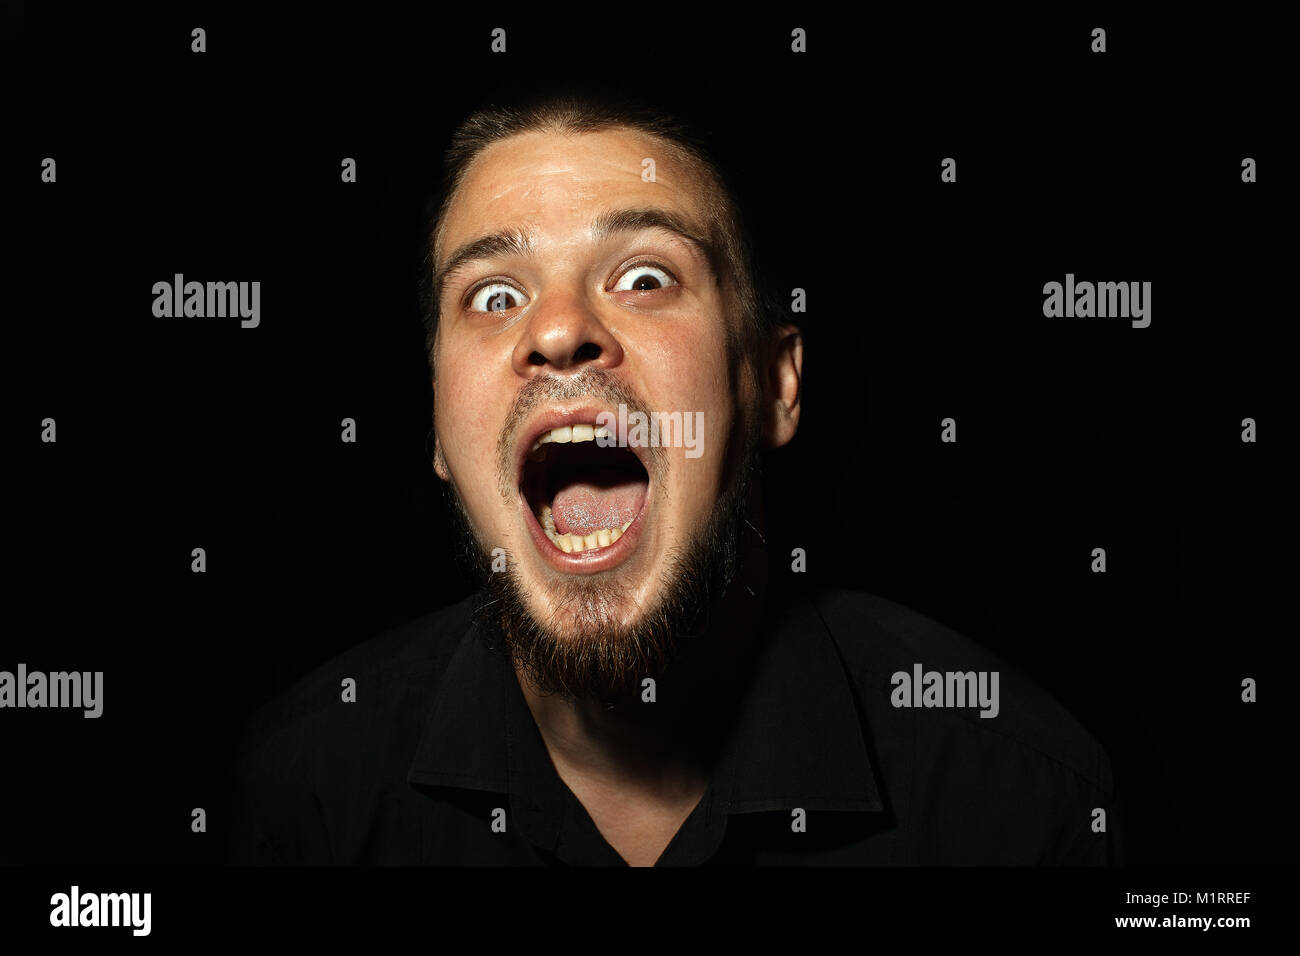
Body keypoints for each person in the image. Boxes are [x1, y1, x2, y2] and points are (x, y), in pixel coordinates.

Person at [233, 91, 1122, 866]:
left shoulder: (1016, 797)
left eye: (645, 275)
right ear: (437, 424)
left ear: (775, 386)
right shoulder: (305, 796)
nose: (558, 330)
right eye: (495, 295)